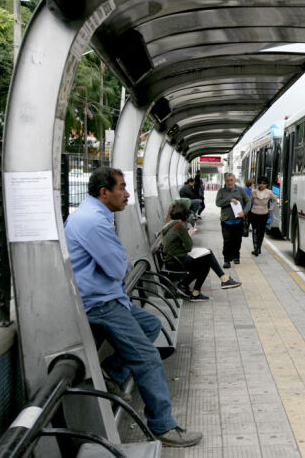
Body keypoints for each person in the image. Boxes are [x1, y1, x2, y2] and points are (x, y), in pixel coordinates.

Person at [64, 167, 202, 448]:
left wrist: (120, 260)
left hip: (108, 298)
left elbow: (119, 264)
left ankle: (112, 373)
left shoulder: (94, 215)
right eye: (122, 188)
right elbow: (117, 267)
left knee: (151, 324)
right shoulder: (92, 221)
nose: (128, 194)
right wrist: (120, 260)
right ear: (104, 192)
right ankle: (163, 427)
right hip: (100, 304)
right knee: (148, 359)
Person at [161, 202, 241, 300]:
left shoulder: (170, 224)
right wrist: (189, 235)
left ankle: (194, 290)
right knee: (207, 259)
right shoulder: (179, 226)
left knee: (207, 256)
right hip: (176, 261)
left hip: (171, 259)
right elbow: (189, 247)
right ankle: (221, 280)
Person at [215, 172, 249, 268]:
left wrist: (244, 212)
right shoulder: (221, 191)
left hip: (238, 221)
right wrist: (229, 200)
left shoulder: (241, 190)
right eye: (227, 181)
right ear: (225, 181)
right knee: (227, 241)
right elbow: (218, 203)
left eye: (231, 180)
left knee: (237, 241)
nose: (229, 182)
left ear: (234, 181)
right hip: (226, 221)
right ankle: (226, 260)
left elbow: (248, 201)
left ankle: (236, 256)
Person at [246, 175, 279, 256]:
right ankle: (255, 248)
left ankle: (259, 247)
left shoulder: (269, 192)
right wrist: (247, 211)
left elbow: (275, 199)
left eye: (264, 183)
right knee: (254, 231)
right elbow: (249, 201)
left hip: (264, 214)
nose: (262, 185)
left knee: (261, 232)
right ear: (258, 184)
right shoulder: (253, 191)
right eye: (260, 183)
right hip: (254, 213)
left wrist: (271, 208)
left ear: (266, 184)